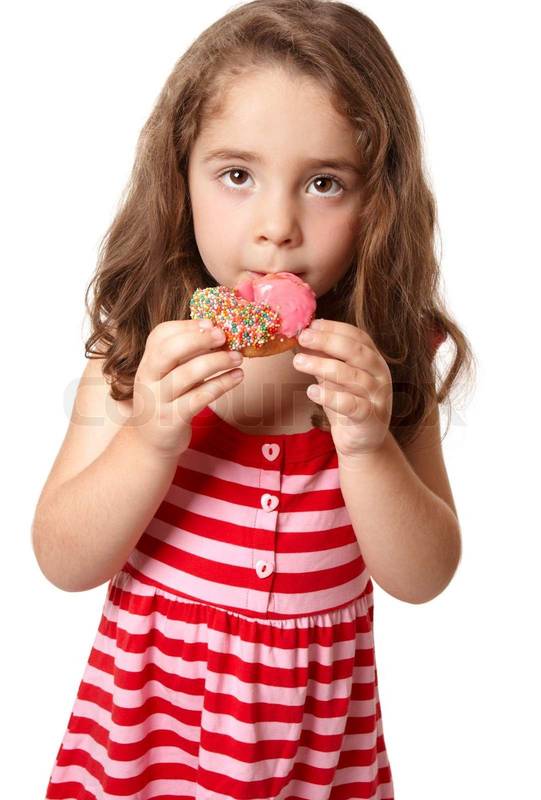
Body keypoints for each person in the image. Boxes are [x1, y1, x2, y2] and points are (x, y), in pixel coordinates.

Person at [33, 1, 475, 798]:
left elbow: (422, 576)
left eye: (323, 183)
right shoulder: (141, 351)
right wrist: (147, 439)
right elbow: (65, 562)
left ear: (379, 199)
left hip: (312, 754)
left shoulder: (386, 362)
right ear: (180, 176)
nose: (276, 227)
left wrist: (369, 445)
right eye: (237, 175)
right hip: (150, 745)